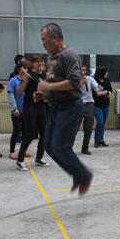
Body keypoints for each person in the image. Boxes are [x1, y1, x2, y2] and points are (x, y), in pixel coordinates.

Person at [37, 23, 93, 195]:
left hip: (70, 106)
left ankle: (84, 175)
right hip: (55, 106)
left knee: (61, 146)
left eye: (44, 40)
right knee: (49, 145)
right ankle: (77, 174)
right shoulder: (51, 58)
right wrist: (43, 94)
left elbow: (74, 82)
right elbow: (52, 82)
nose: (43, 44)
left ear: (55, 38)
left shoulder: (70, 55)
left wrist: (49, 87)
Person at [16, 55, 50, 169]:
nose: (41, 64)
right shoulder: (29, 75)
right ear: (33, 63)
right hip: (30, 107)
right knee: (30, 134)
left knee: (45, 133)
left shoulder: (44, 74)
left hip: (42, 106)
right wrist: (24, 81)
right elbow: (19, 91)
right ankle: (20, 160)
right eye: (38, 62)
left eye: (42, 62)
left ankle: (39, 158)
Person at [7, 63, 27, 160]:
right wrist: (14, 108)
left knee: (25, 132)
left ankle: (23, 150)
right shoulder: (13, 80)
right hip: (17, 111)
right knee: (16, 131)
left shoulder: (28, 81)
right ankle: (12, 151)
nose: (26, 70)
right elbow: (10, 95)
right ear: (19, 69)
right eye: (24, 68)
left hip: (27, 111)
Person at [79, 65, 98, 155]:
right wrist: (81, 84)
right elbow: (72, 91)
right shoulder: (73, 80)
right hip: (78, 105)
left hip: (89, 105)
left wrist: (99, 88)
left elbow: (96, 87)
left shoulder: (90, 79)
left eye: (84, 70)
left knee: (88, 128)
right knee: (73, 128)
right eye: (81, 70)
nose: (83, 72)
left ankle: (85, 148)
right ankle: (69, 148)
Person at [93, 66, 113, 148]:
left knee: (103, 123)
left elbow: (110, 90)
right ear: (101, 73)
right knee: (100, 122)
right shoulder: (94, 81)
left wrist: (108, 93)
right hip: (97, 105)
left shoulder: (107, 80)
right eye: (105, 72)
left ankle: (101, 139)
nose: (107, 74)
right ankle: (96, 140)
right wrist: (101, 93)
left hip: (106, 105)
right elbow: (93, 94)